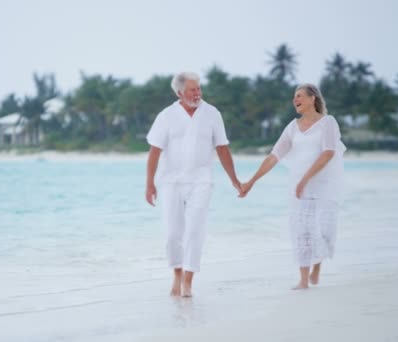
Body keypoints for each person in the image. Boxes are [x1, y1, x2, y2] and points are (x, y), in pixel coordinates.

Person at [240, 83, 346, 290]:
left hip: (323, 185)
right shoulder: (292, 127)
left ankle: (317, 266)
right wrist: (251, 181)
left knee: (324, 230)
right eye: (293, 97)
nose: (294, 100)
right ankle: (304, 279)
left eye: (299, 96)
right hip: (299, 188)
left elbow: (328, 152)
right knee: (302, 231)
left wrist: (306, 178)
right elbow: (274, 156)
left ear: (312, 98)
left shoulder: (327, 123)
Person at [145, 71, 241, 297]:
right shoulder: (166, 116)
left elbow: (223, 148)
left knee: (195, 229)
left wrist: (235, 181)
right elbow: (154, 151)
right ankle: (177, 274)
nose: (197, 93)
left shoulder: (212, 114)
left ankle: (188, 281)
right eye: (192, 89)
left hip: (201, 179)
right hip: (170, 181)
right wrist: (150, 184)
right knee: (172, 233)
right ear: (180, 92)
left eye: (198, 88)